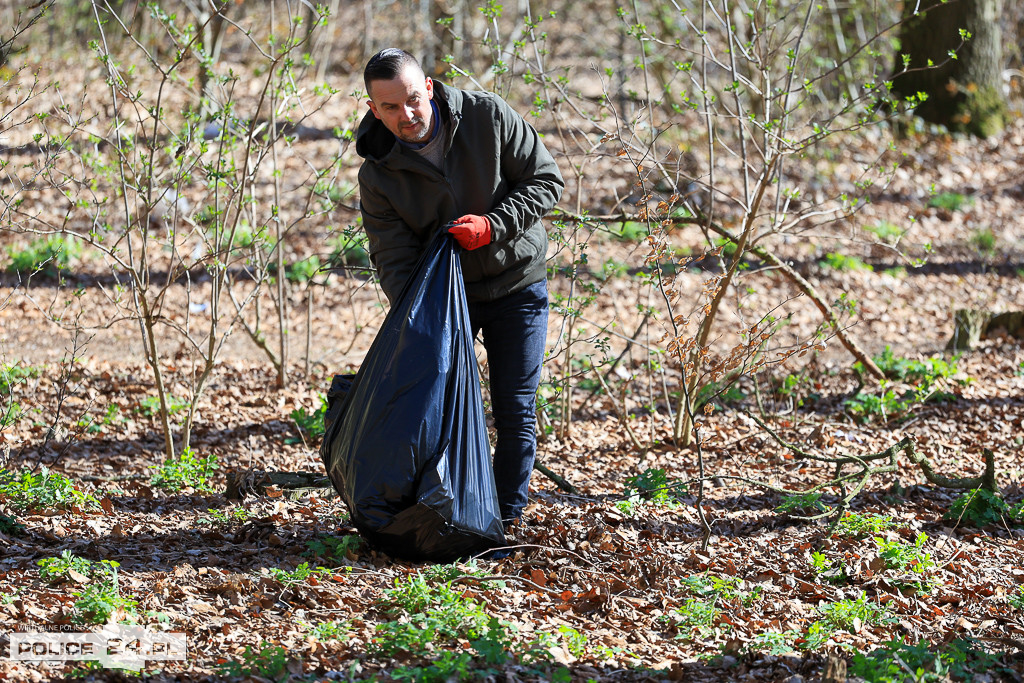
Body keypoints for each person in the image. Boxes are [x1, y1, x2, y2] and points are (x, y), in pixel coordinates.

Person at [355, 48, 564, 527]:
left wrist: (494, 225)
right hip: (451, 303)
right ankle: (449, 514)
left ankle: (504, 520)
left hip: (518, 286)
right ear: (373, 109)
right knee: (439, 407)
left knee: (515, 410)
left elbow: (545, 180)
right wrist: (423, 321)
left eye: (412, 99)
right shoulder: (378, 174)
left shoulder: (486, 115)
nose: (406, 116)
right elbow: (393, 256)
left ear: (428, 86)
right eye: (390, 107)